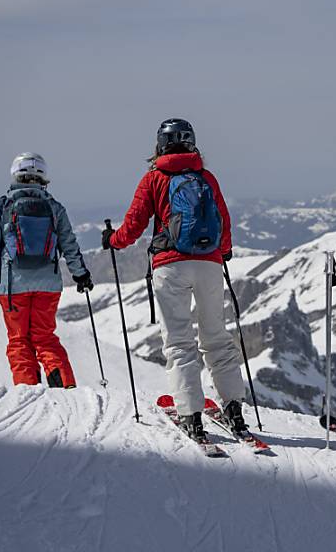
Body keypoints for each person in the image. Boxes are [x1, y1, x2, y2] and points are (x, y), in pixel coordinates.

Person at [102, 118, 251, 444]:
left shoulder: (154, 178)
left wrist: (112, 240)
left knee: (180, 342)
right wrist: (222, 252)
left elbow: (134, 225)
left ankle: (191, 415)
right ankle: (234, 409)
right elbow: (223, 221)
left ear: (160, 145)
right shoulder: (206, 177)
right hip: (210, 265)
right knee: (217, 338)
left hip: (170, 266)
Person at [0, 153, 93, 388]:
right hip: (48, 286)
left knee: (19, 340)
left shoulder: (3, 206)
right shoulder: (54, 207)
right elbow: (69, 244)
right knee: (45, 337)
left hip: (12, 287)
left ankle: (28, 392)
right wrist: (80, 274)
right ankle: (65, 388)